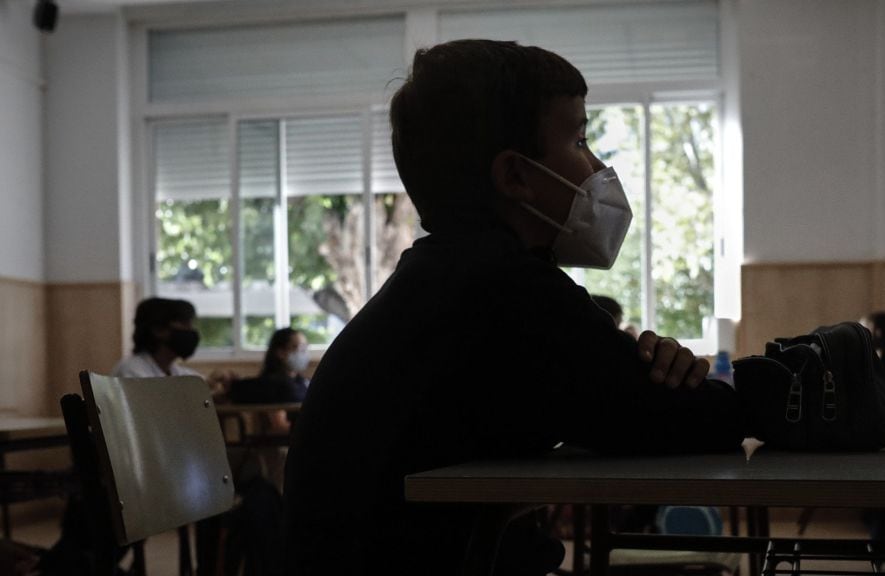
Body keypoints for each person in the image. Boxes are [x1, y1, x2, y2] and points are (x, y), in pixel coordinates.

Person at [284, 40, 745, 576]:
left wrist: (660, 378)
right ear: (516, 178)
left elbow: (623, 399)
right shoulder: (505, 288)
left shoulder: (450, 273)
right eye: (580, 139)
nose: (597, 167)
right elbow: (694, 420)